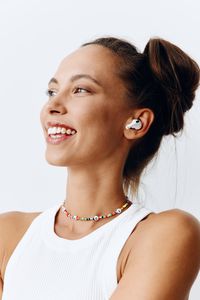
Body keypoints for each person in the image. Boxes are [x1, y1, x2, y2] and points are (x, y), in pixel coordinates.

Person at [0, 36, 200, 300]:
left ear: (136, 122)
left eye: (80, 89)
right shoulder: (9, 234)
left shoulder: (165, 234)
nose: (52, 107)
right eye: (52, 91)